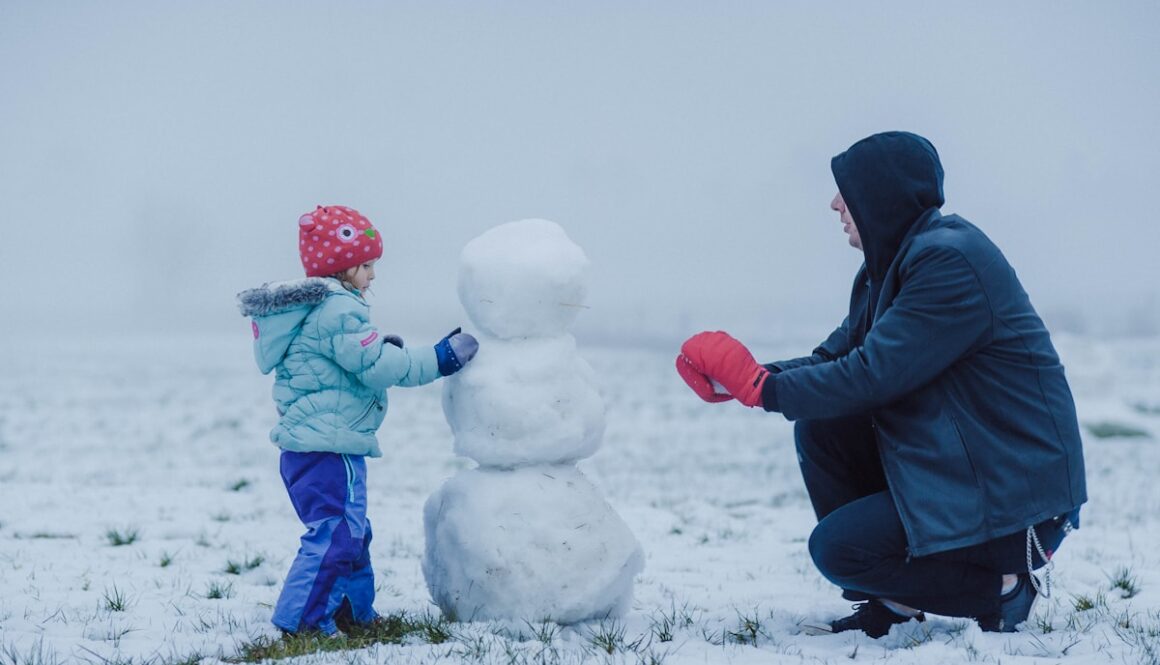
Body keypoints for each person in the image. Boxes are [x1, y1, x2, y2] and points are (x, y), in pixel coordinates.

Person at [676, 132, 1086, 637]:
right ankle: (895, 603)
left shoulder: (950, 262)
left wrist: (763, 389)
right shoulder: (888, 269)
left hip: (1018, 502)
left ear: (880, 195)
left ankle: (1004, 589)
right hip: (965, 470)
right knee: (822, 427)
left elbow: (872, 375)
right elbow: (834, 359)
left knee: (838, 550)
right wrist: (748, 378)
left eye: (844, 192)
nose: (833, 205)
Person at [237, 205, 479, 636]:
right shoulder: (337, 311)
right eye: (366, 265)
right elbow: (379, 367)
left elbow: (351, 359)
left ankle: (349, 609)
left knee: (351, 533)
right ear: (341, 268)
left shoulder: (319, 311)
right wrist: (439, 359)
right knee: (335, 534)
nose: (372, 275)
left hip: (312, 448)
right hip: (328, 449)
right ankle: (302, 622)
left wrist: (381, 347)